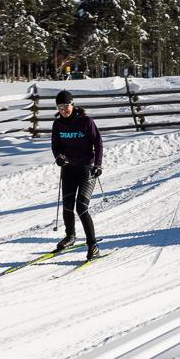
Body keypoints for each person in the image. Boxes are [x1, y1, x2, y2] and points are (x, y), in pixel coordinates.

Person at [51, 90, 103, 260]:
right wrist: (59, 158)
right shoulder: (58, 124)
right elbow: (55, 146)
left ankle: (93, 245)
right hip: (69, 169)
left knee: (81, 207)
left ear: (72, 105)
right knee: (67, 205)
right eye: (60, 107)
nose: (64, 110)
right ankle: (70, 236)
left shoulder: (86, 121)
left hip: (87, 169)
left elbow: (98, 143)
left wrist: (98, 164)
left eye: (66, 106)